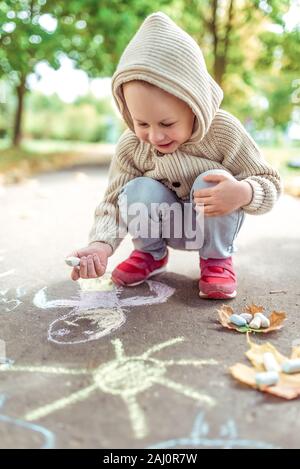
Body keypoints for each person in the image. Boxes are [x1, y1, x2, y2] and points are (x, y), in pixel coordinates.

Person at [67, 12, 281, 299]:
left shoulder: (223, 131)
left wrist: (243, 192)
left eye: (167, 124)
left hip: (211, 223)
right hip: (165, 224)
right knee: (136, 189)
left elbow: (268, 179)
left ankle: (216, 260)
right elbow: (114, 201)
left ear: (196, 106)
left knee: (212, 180)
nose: (155, 136)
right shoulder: (132, 144)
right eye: (142, 123)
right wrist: (100, 245)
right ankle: (150, 254)